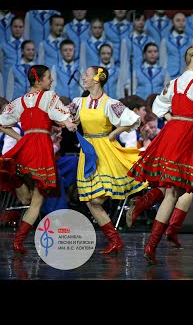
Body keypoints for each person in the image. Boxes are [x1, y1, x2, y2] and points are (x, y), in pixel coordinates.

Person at [127, 45, 193, 265]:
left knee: (176, 187)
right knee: (173, 192)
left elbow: (157, 105)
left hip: (173, 132)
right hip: (187, 134)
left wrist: (172, 118)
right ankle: (151, 245)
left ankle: (142, 206)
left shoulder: (173, 83)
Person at [69, 66, 148, 254]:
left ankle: (138, 204)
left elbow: (133, 119)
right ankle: (114, 240)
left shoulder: (110, 103)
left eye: (87, 74)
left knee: (96, 199)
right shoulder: (79, 102)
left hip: (105, 151)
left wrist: (115, 131)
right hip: (88, 151)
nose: (83, 77)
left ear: (97, 79)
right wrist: (69, 123)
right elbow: (65, 117)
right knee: (90, 201)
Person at [0, 65, 76, 253]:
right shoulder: (50, 97)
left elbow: (1, 123)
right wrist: (68, 122)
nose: (51, 81)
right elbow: (63, 117)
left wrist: (21, 139)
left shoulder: (20, 102)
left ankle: (18, 240)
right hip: (41, 150)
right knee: (37, 200)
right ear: (38, 80)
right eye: (49, 77)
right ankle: (18, 241)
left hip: (25, 150)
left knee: (28, 196)